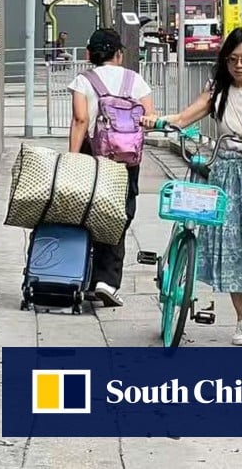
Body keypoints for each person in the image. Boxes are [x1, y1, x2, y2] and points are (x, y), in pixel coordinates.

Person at [142, 28, 242, 345]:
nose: (239, 66)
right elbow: (186, 117)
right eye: (232, 60)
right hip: (228, 171)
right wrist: (157, 120)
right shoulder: (217, 90)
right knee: (232, 247)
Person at [67, 28, 156, 307]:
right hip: (127, 159)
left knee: (88, 213)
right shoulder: (136, 80)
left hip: (93, 156)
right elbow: (148, 118)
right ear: (119, 54)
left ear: (88, 54)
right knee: (119, 215)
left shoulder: (83, 80)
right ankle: (107, 281)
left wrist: (71, 158)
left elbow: (81, 120)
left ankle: (86, 276)